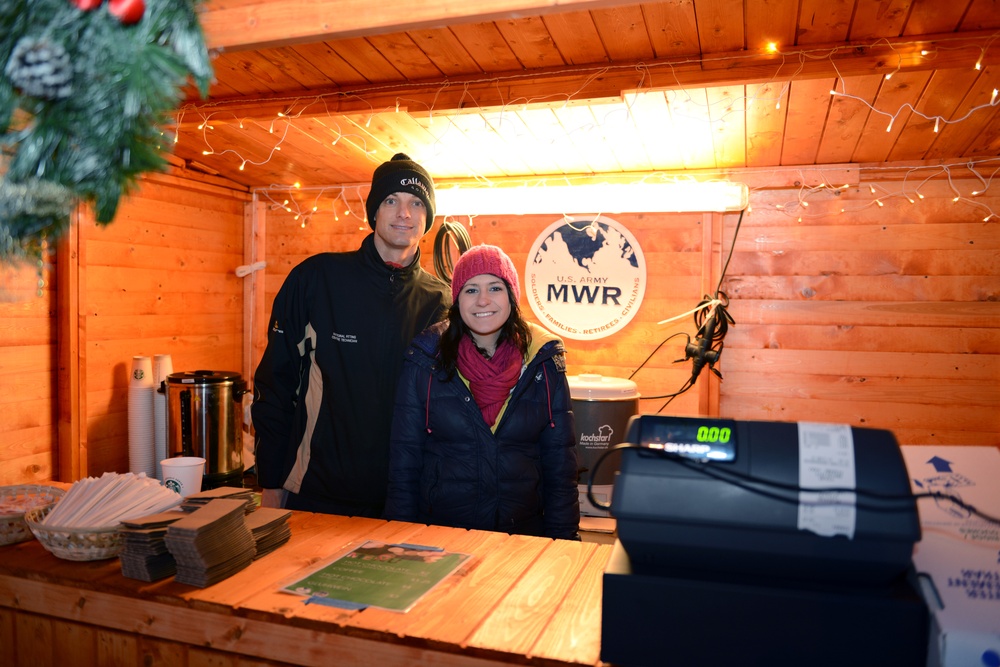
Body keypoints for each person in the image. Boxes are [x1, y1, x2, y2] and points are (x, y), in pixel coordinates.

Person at [252, 153, 451, 517]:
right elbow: (274, 383)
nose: (403, 213)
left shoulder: (442, 302)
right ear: (374, 211)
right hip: (316, 494)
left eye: (416, 203)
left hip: (407, 501)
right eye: (391, 200)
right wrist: (271, 480)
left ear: (427, 218)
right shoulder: (317, 280)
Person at [385, 245, 580, 540]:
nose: (483, 300)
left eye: (495, 288)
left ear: (511, 296)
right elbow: (404, 462)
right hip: (440, 536)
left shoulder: (543, 362)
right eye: (471, 290)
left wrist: (564, 541)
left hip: (521, 538)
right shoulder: (425, 360)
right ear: (458, 300)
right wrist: (400, 538)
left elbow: (560, 467)